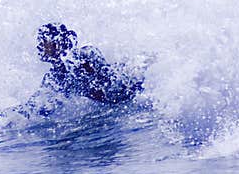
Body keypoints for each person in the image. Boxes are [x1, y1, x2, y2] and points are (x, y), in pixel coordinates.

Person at [11, 23, 143, 118]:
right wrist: (9, 116)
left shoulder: (85, 55)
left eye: (44, 40)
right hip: (113, 102)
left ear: (58, 43)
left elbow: (113, 81)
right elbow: (36, 105)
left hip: (129, 91)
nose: (39, 45)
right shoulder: (54, 77)